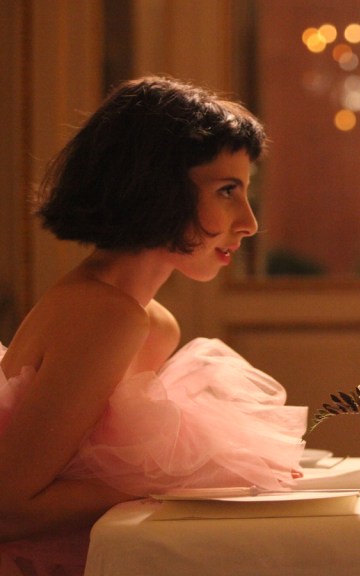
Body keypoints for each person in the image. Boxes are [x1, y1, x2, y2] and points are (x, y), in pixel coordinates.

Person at [0, 76, 307, 575]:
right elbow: (8, 511)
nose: (249, 222)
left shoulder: (152, 322)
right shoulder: (106, 314)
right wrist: (181, 481)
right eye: (227, 191)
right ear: (156, 188)